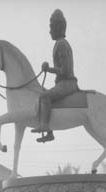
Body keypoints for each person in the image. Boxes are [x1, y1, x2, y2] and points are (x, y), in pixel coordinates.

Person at [31, 9, 79, 143]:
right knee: (45, 95)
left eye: (51, 27)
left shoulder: (61, 44)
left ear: (57, 27)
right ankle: (49, 133)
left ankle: (45, 125)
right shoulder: (59, 44)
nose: (50, 31)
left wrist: (48, 69)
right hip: (62, 83)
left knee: (44, 96)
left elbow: (65, 70)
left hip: (67, 83)